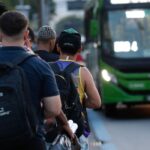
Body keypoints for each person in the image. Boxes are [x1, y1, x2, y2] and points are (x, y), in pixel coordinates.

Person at [0, 10, 62, 150]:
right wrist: (33, 113)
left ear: (0, 33)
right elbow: (54, 108)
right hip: (30, 140)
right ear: (27, 34)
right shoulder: (40, 66)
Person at [54, 28, 101, 150]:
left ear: (58, 47)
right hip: (76, 131)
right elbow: (96, 102)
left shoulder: (46, 68)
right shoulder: (82, 71)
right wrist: (78, 101)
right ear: (80, 49)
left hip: (53, 131)